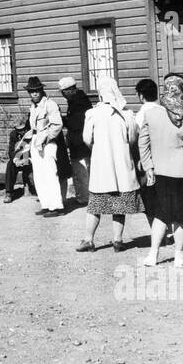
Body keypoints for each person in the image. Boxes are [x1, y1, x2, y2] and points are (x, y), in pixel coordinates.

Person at [137, 76, 183, 266]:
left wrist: (148, 166)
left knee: (160, 215)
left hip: (160, 171)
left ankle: (153, 254)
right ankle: (179, 255)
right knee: (182, 218)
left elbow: (143, 144)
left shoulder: (152, 116)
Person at [77, 75, 143, 252]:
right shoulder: (127, 114)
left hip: (101, 166)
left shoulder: (92, 114)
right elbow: (132, 138)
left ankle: (88, 239)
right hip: (121, 165)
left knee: (95, 204)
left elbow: (86, 138)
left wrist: (98, 149)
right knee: (119, 204)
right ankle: (117, 240)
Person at [25, 77, 65, 216]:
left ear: (41, 91)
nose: (34, 94)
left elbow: (57, 124)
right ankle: (46, 204)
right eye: (31, 91)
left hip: (47, 142)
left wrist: (46, 138)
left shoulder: (50, 104)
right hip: (36, 141)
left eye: (37, 91)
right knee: (39, 175)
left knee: (50, 174)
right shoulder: (33, 106)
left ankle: (56, 207)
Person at [59, 76, 92, 206]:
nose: (63, 95)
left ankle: (85, 197)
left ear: (70, 90)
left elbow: (76, 123)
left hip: (80, 143)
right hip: (76, 142)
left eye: (64, 92)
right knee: (79, 171)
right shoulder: (75, 100)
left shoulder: (79, 102)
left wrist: (62, 120)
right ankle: (82, 196)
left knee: (82, 171)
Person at [133, 79, 160, 223]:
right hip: (163, 157)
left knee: (149, 196)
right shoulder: (162, 110)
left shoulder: (141, 113)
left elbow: (137, 137)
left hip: (146, 158)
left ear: (141, 95)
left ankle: (157, 229)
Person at [3, 112, 35, 203]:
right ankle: (9, 192)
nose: (21, 131)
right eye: (18, 130)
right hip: (19, 159)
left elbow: (34, 149)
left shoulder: (31, 134)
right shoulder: (13, 135)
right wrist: (16, 160)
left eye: (23, 129)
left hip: (30, 158)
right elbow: (11, 150)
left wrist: (29, 159)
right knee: (10, 165)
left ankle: (37, 190)